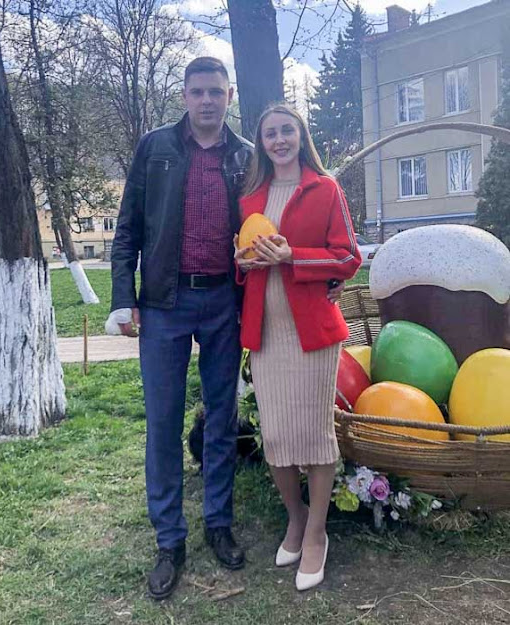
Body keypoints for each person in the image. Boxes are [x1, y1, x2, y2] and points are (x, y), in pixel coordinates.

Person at [107, 57, 253, 600]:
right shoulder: (155, 148)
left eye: (216, 91)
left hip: (223, 301)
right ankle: (170, 540)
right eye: (198, 92)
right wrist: (125, 300)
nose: (208, 101)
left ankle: (218, 523)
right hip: (164, 303)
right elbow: (127, 230)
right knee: (164, 423)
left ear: (229, 94)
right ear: (185, 95)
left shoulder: (245, 156)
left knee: (222, 418)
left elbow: (262, 226)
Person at [234, 104, 361, 592]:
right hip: (266, 334)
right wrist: (244, 261)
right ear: (262, 142)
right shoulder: (251, 197)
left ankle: (315, 535)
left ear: (301, 135)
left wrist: (294, 257)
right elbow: (243, 264)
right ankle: (295, 515)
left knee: (314, 436)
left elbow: (348, 257)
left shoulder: (324, 188)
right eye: (270, 133)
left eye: (287, 130)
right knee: (278, 438)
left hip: (312, 336)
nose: (279, 139)